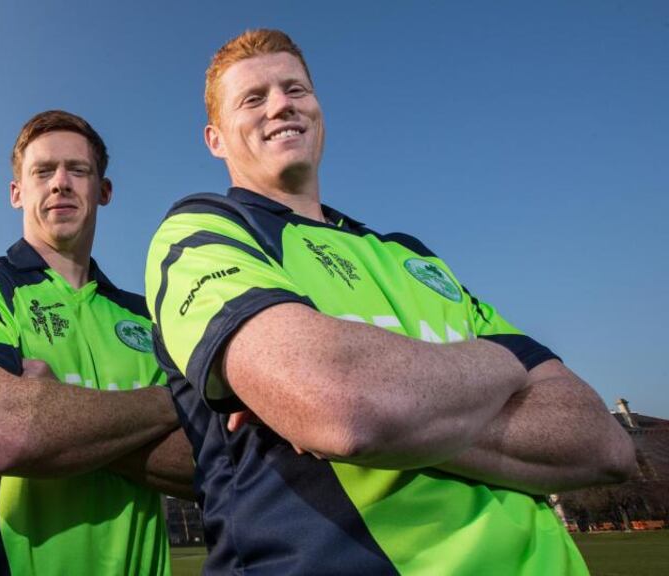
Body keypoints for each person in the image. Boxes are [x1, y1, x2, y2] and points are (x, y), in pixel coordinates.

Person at [144, 29, 636, 575]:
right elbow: (344, 407)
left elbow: (602, 445)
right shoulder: (201, 230)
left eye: (295, 89)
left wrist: (386, 408)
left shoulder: (411, 257)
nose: (281, 104)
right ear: (215, 138)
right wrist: (509, 364)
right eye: (254, 98)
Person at [0, 110, 194, 576]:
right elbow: (5, 434)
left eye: (78, 170)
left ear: (103, 191)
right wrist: (173, 402)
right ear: (17, 192)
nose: (60, 183)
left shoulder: (150, 316)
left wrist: (57, 414)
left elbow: (204, 464)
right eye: (43, 171)